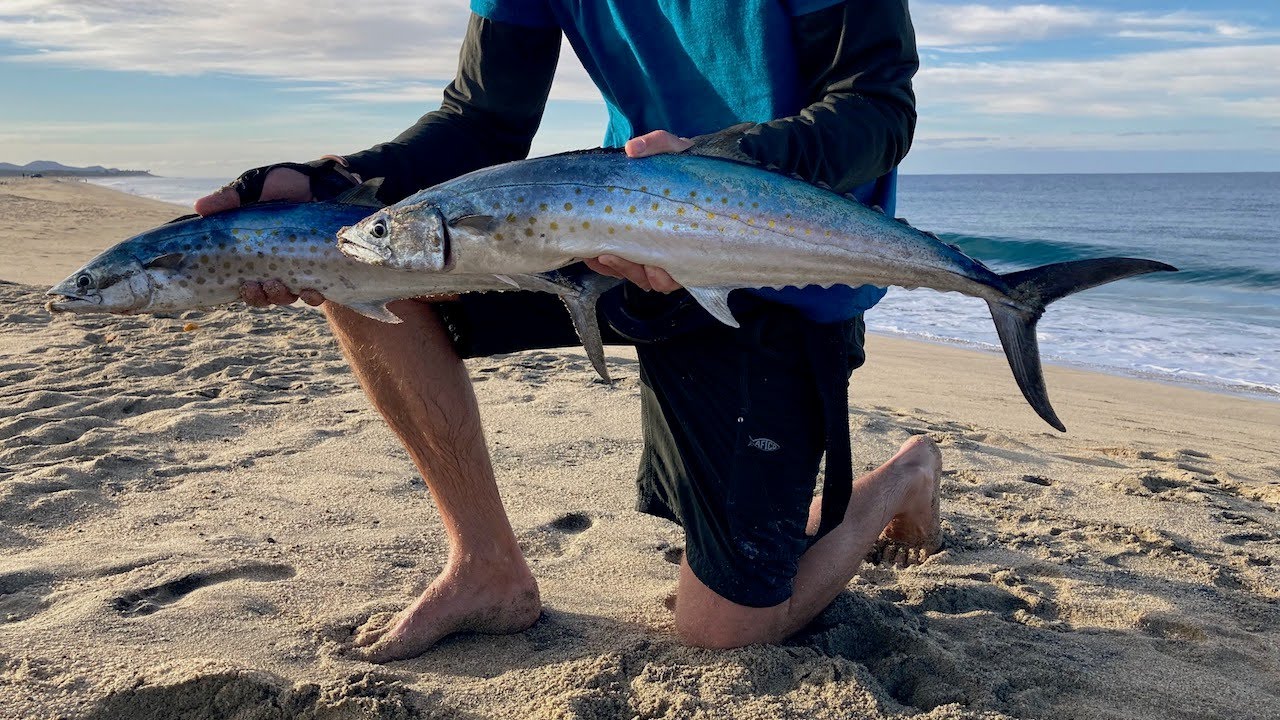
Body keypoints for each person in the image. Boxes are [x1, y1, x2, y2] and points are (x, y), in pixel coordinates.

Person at [196, 0, 941, 662]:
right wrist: (331, 181)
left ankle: (899, 479)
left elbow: (875, 109)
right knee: (359, 269)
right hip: (614, 233)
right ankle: (485, 567)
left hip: (781, 263)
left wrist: (719, 173)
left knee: (724, 629)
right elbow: (484, 120)